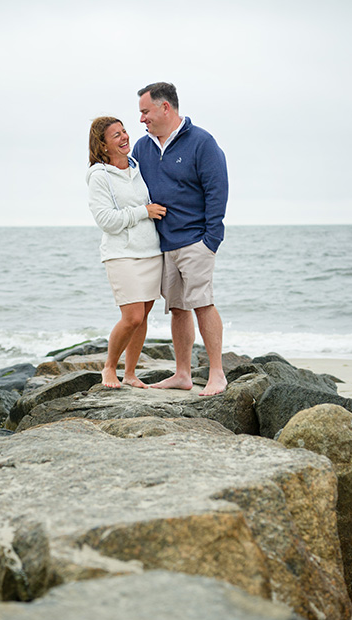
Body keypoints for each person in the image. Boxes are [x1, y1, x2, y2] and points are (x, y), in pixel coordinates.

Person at [132, 82, 229, 396]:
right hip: (162, 243)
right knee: (177, 308)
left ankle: (217, 374)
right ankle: (182, 373)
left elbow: (217, 190)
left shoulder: (201, 142)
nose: (142, 119)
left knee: (202, 304)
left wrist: (211, 238)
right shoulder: (142, 148)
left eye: (145, 111)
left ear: (165, 107)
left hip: (196, 240)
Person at [87, 116, 166, 389]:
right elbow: (106, 220)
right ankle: (109, 368)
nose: (124, 138)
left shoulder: (137, 167)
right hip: (121, 253)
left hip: (151, 251)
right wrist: (143, 212)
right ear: (103, 145)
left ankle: (130, 373)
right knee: (131, 316)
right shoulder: (99, 177)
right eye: (116, 136)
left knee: (142, 317)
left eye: (124, 132)